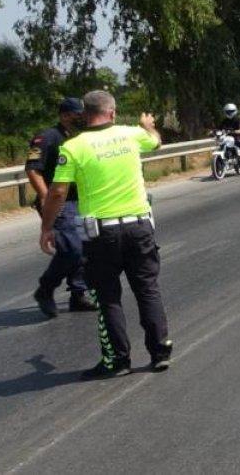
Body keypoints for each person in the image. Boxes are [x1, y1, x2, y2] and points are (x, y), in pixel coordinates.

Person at [39, 90, 173, 379]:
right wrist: (148, 124)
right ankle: (160, 351)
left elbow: (58, 191)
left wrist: (47, 227)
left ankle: (117, 361)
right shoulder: (132, 134)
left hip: (101, 235)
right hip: (139, 226)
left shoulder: (74, 147)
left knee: (107, 296)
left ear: (86, 115)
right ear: (112, 113)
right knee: (147, 288)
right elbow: (156, 142)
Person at [27, 97, 98, 317]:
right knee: (72, 248)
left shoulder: (82, 138)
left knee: (87, 248)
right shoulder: (47, 137)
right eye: (78, 115)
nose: (82, 119)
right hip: (59, 202)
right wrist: (46, 197)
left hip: (83, 201)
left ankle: (79, 293)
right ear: (65, 115)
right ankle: (46, 289)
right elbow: (32, 169)